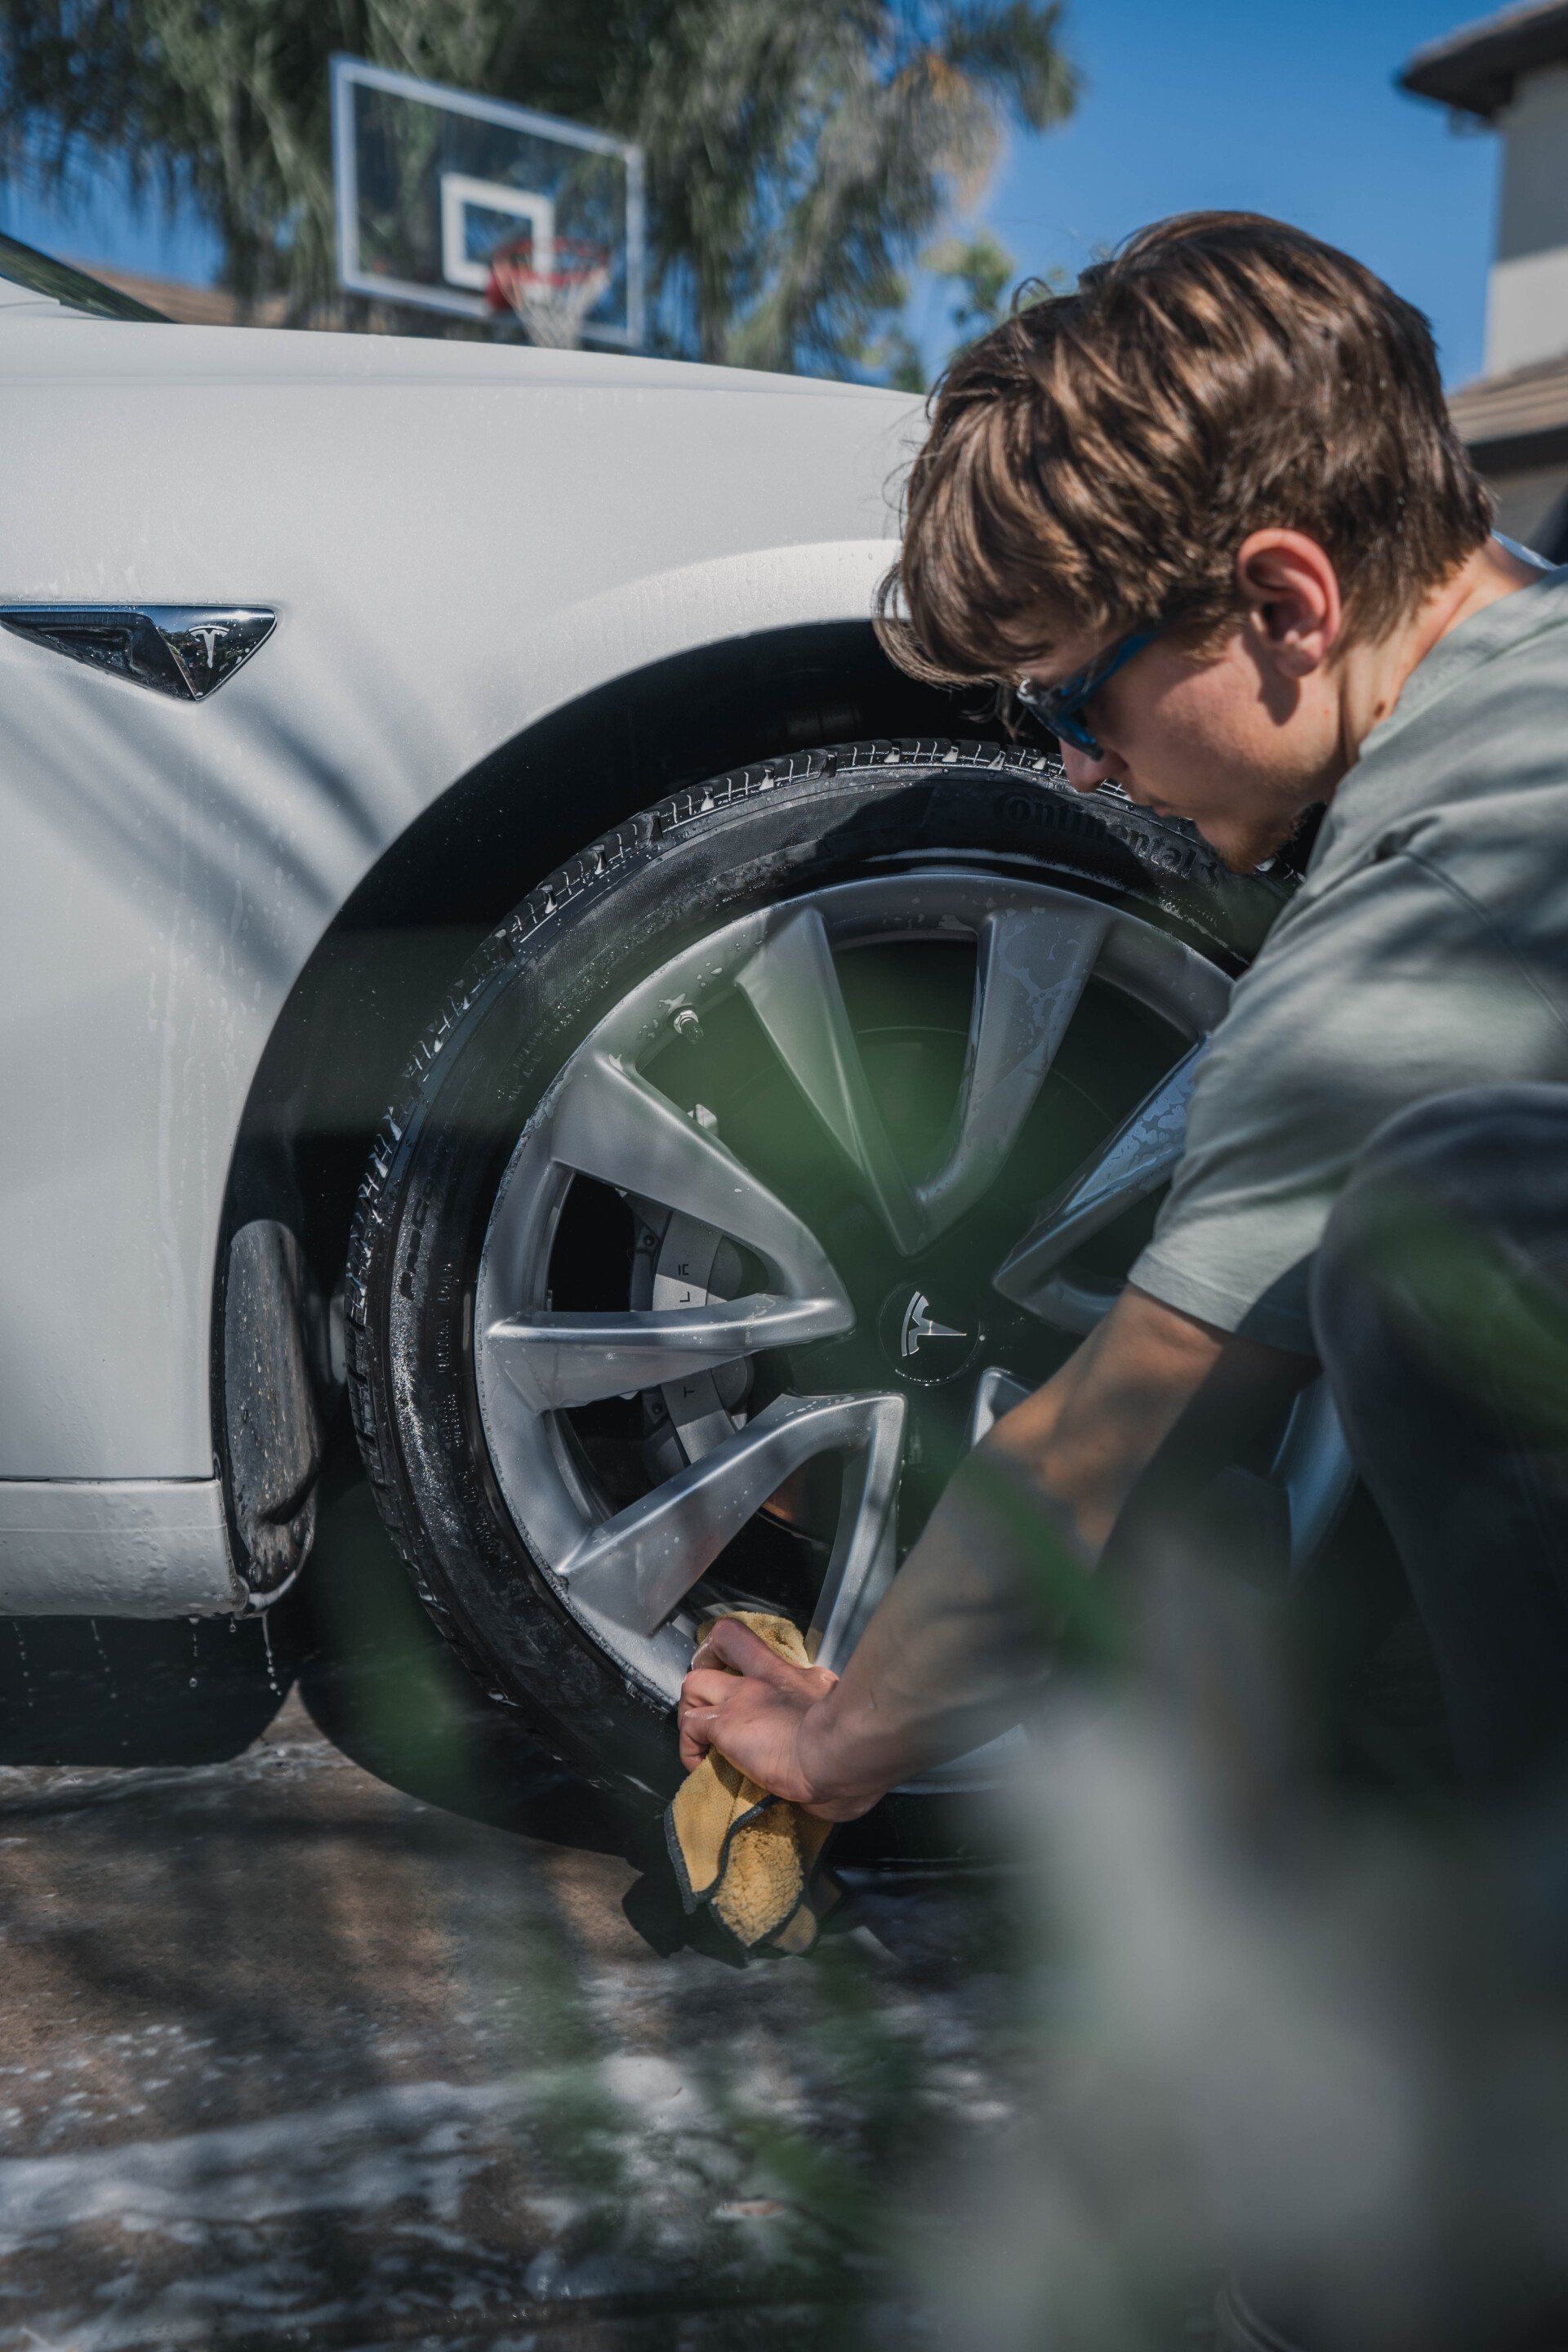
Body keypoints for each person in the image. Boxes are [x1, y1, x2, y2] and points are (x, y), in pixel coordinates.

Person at [678, 210, 1568, 1819]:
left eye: (1083, 697)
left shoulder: (1434, 901)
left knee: (1435, 1238)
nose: (1082, 766)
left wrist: (829, 1741)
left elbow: (1099, 1452)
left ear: (1290, 606)